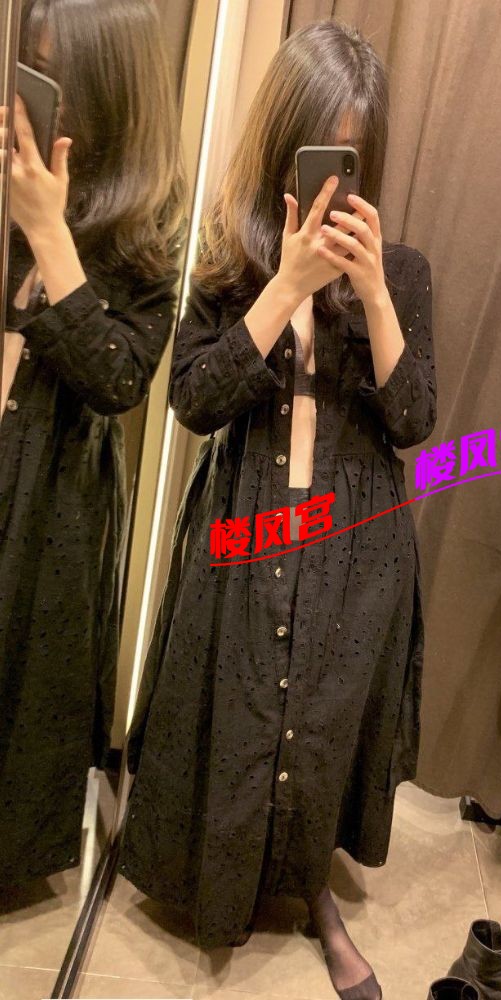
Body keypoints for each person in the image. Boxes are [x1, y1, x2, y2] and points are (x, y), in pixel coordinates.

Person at [119, 19, 436, 1000]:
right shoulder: (229, 265)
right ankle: (215, 885)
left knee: (323, 723)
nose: (332, 184)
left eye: (352, 156)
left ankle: (313, 896)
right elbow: (193, 402)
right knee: (243, 706)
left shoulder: (403, 273)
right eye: (317, 152)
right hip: (246, 523)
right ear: (280, 150)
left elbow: (415, 421)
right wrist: (288, 285)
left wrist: (372, 294)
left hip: (355, 542)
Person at [0, 0, 186, 889]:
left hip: (53, 486)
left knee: (17, 674)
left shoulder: (149, 222)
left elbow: (119, 381)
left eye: (64, 77)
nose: (46, 98)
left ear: (113, 89)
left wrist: (46, 230)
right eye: (33, 67)